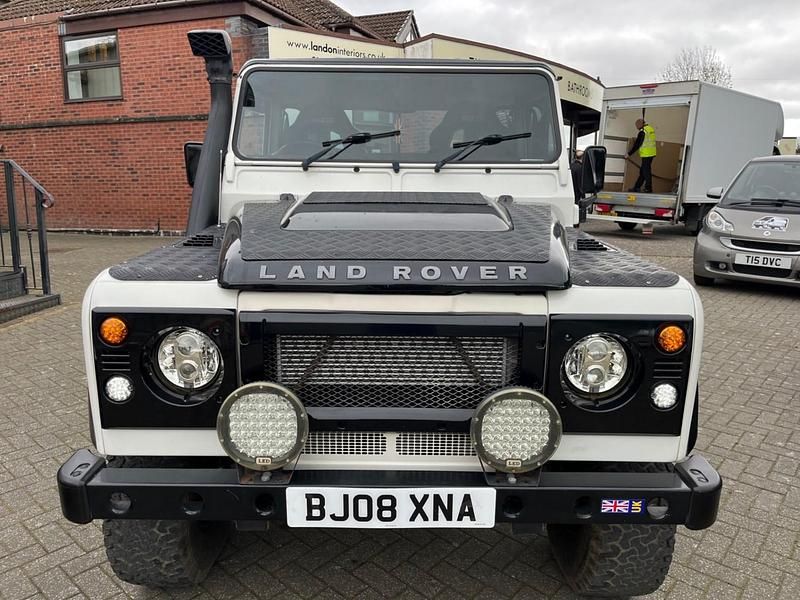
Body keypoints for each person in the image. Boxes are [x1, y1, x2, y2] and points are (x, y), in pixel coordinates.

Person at [627, 118, 657, 193]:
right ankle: (637, 187)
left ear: (640, 124)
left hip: (646, 154)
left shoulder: (642, 132)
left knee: (646, 172)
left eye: (636, 126)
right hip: (651, 153)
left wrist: (629, 154)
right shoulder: (650, 129)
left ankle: (648, 188)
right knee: (643, 171)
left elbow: (637, 144)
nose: (636, 128)